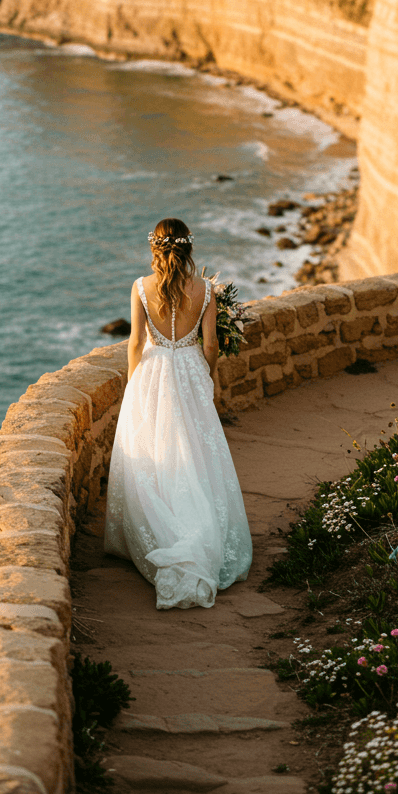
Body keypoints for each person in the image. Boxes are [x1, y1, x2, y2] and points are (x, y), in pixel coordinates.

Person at [104, 218, 253, 609]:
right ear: (188, 248)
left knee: (156, 451)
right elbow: (211, 346)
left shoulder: (140, 287)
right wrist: (209, 377)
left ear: (155, 248)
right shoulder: (205, 291)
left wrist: (133, 384)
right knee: (195, 452)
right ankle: (197, 530)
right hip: (189, 372)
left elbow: (136, 342)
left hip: (152, 373)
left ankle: (159, 529)